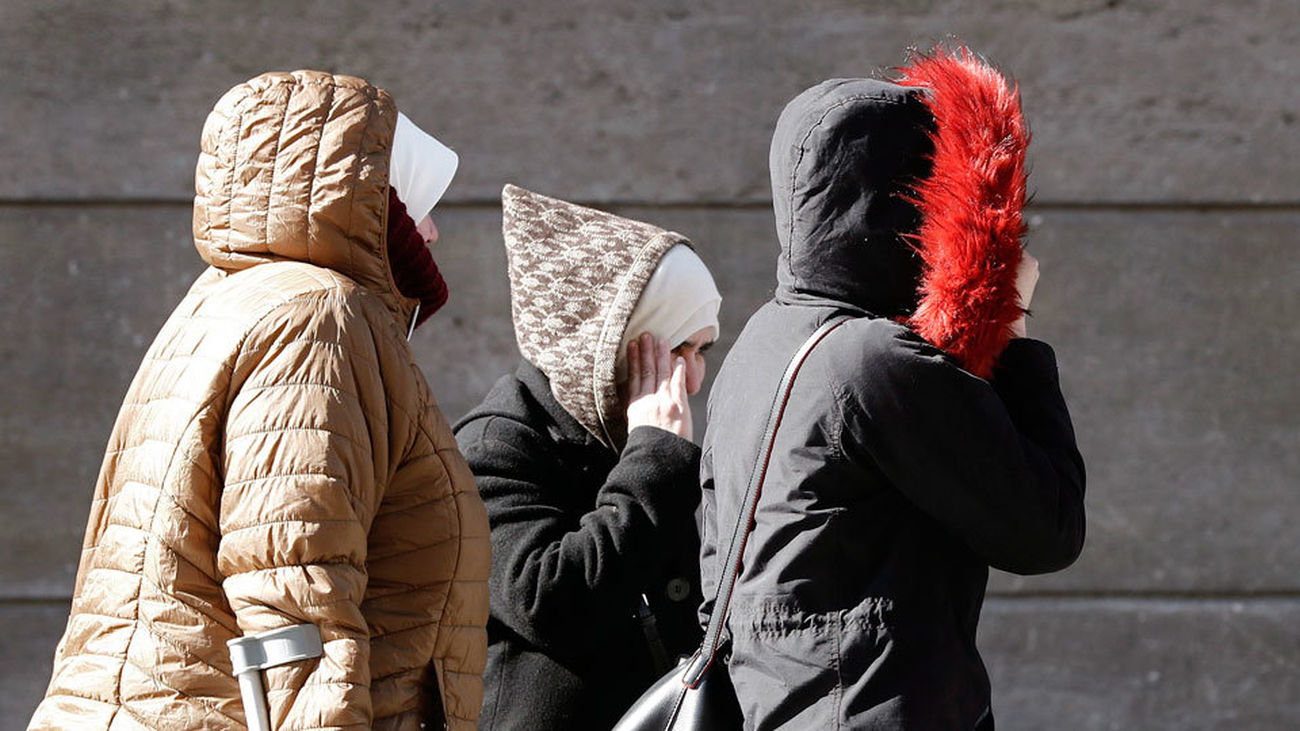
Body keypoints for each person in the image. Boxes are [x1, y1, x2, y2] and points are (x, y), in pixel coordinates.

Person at [28, 70, 489, 730]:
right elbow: (293, 585)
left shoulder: (223, 304)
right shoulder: (317, 319)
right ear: (375, 200)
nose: (436, 232)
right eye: (423, 203)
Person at [697, 46, 1087, 729]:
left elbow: (713, 568)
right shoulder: (876, 360)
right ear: (911, 204)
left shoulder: (761, 343)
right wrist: (1013, 324)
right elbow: (1047, 528)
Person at [453, 185, 721, 730]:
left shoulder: (632, 436)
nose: (690, 380)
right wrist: (652, 462)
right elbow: (547, 601)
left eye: (702, 351)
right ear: (605, 346)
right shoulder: (496, 444)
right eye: (674, 351)